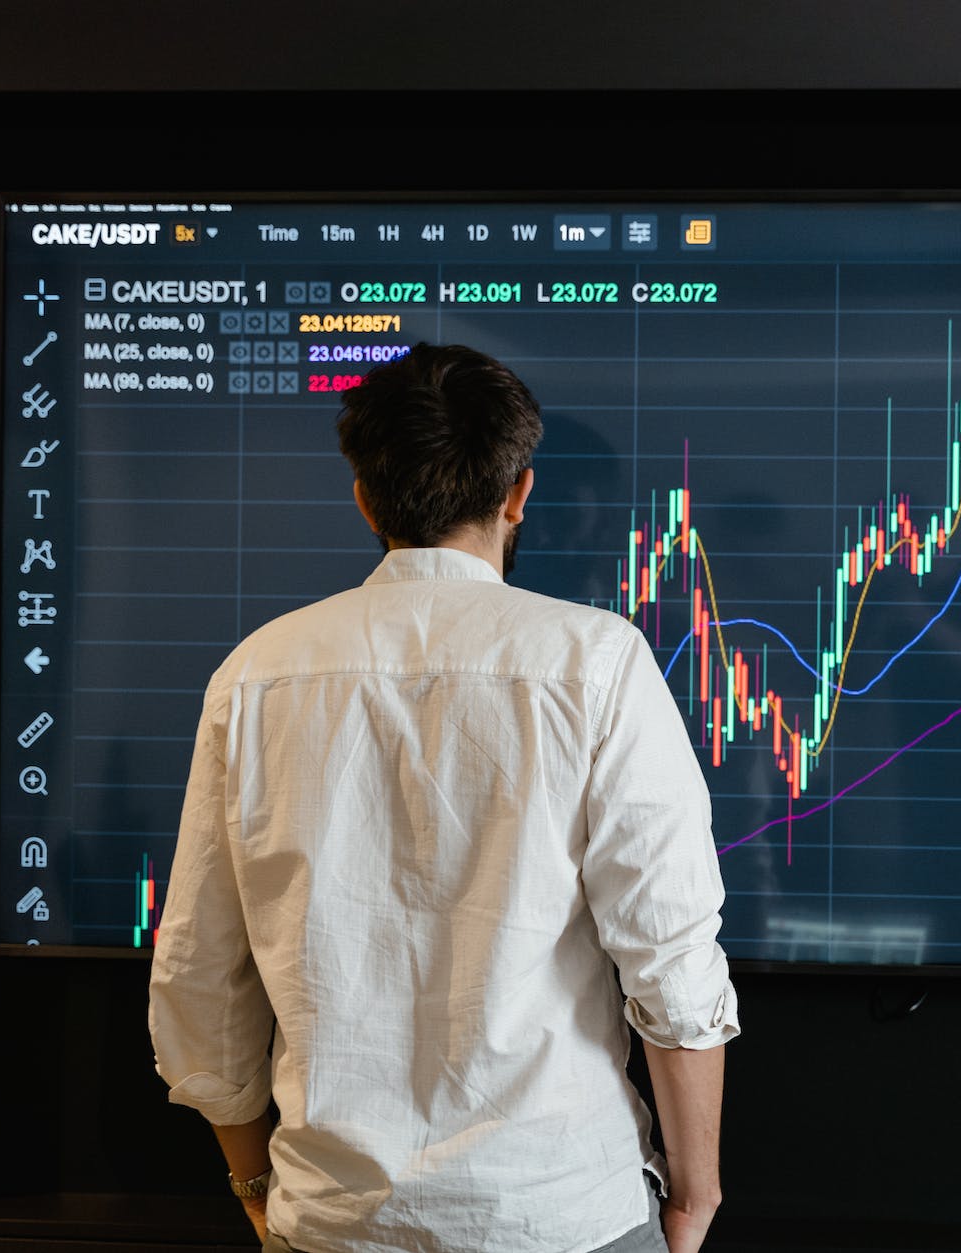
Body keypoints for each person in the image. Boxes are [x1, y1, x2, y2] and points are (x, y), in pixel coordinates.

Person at [149, 343, 739, 1253]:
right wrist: (695, 1197)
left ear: (364, 496)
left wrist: (254, 1182)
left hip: (334, 1221)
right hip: (563, 1213)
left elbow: (197, 975)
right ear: (518, 494)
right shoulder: (597, 662)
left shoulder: (256, 675)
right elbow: (671, 962)